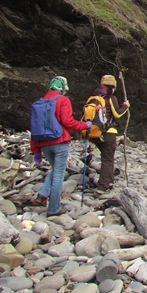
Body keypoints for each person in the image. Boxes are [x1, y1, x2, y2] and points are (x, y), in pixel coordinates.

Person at [30, 76, 92, 216]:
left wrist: (36, 150)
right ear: (63, 87)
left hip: (43, 143)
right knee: (59, 174)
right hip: (59, 141)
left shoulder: (39, 103)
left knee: (56, 169)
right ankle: (54, 208)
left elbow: (34, 127)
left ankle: (42, 194)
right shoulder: (62, 100)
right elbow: (68, 122)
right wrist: (85, 125)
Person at [89, 74, 130, 196]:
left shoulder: (93, 98)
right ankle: (102, 187)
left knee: (106, 155)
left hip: (94, 133)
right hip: (108, 132)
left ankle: (109, 179)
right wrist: (125, 106)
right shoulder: (111, 98)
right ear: (113, 86)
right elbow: (116, 114)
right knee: (108, 159)